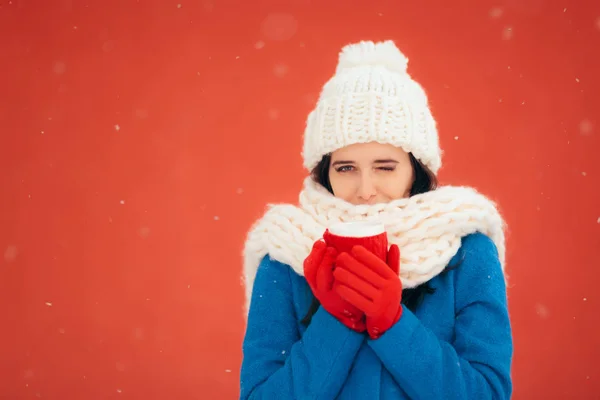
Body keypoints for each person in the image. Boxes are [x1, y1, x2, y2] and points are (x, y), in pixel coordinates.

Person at [239, 40, 513, 399]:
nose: (365, 189)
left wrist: (394, 325)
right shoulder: (285, 256)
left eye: (385, 167)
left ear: (416, 169)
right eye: (346, 167)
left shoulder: (467, 251)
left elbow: (488, 394)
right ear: (325, 172)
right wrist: (338, 322)